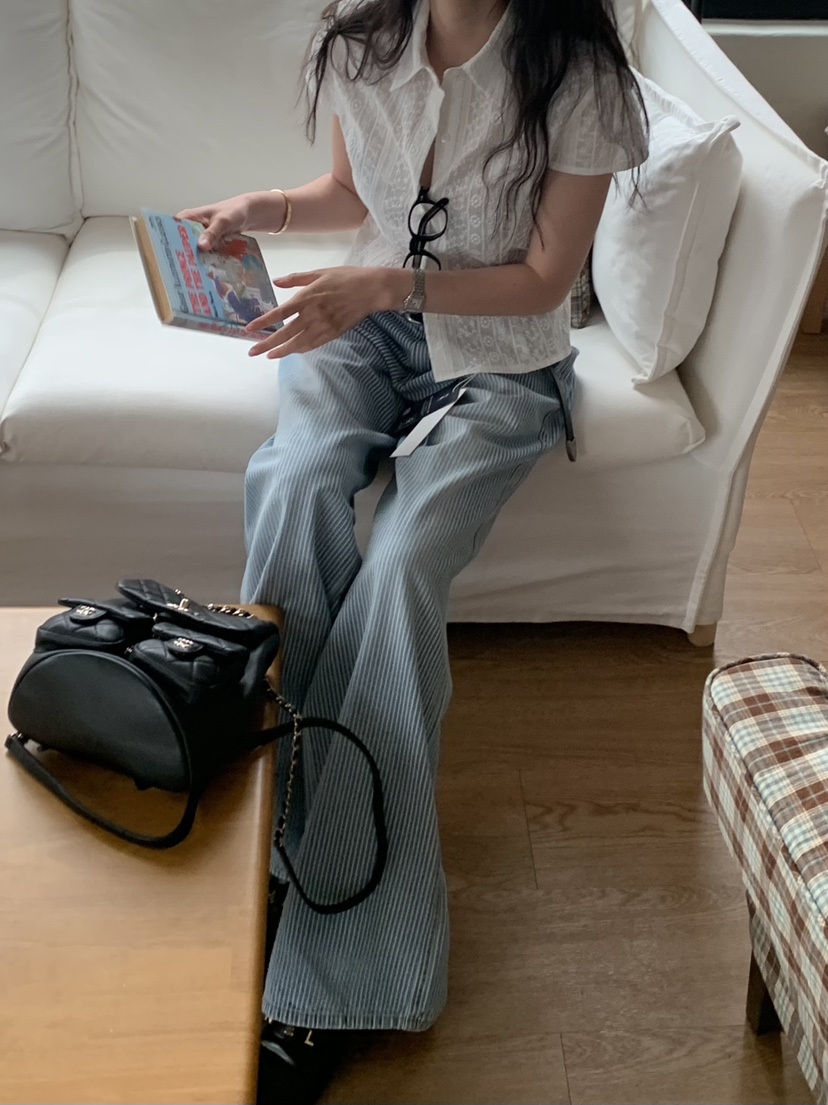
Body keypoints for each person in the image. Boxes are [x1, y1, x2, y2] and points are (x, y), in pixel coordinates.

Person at [178, 0, 648, 1099]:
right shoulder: (363, 37)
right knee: (292, 486)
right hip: (362, 335)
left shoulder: (578, 70)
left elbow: (546, 279)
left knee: (398, 573)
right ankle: (286, 842)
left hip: (503, 364)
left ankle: (336, 961)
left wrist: (390, 282)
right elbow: (353, 196)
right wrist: (265, 208)